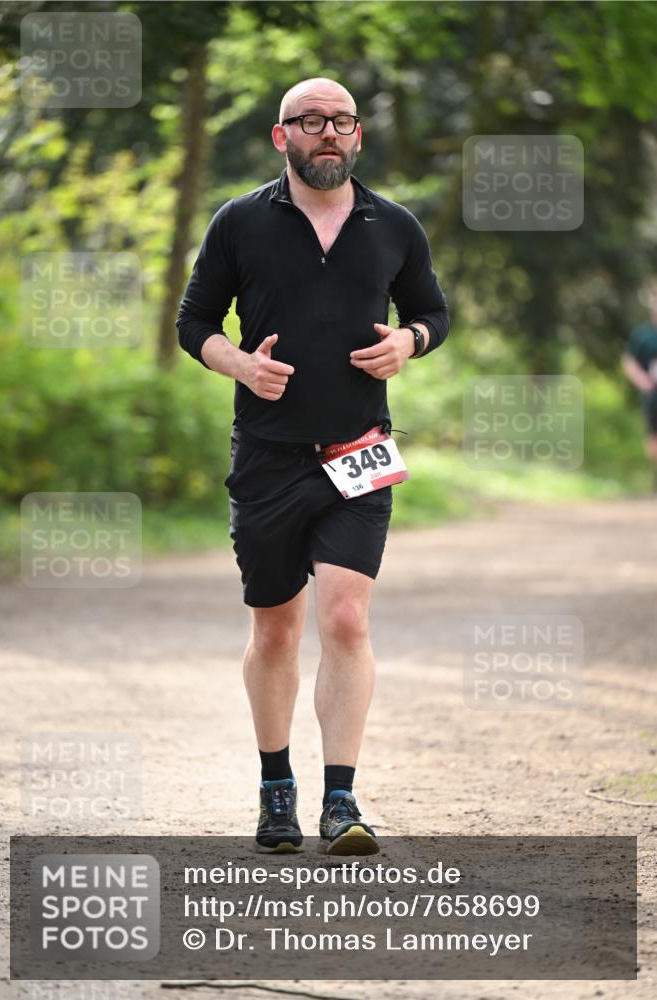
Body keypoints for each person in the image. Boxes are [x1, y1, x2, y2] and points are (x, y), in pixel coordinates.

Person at [177, 77, 449, 855]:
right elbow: (193, 321)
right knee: (274, 630)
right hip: (266, 457)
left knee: (345, 616)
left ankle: (340, 799)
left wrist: (410, 342)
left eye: (341, 122)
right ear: (281, 136)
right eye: (311, 122)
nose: (328, 133)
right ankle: (275, 788)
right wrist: (237, 365)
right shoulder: (239, 222)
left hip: (359, 450)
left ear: (357, 135)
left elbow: (431, 311)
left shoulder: (392, 225)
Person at [621, 282, 657, 471]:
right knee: (653, 437)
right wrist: (641, 380)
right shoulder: (643, 335)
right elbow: (629, 360)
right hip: (653, 394)